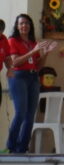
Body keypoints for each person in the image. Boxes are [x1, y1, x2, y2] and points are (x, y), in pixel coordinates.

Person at [4, 14, 55, 154]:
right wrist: (34, 51)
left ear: (30, 25)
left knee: (30, 115)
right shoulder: (12, 41)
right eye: (21, 23)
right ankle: (11, 146)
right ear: (17, 26)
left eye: (27, 23)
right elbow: (15, 62)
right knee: (20, 112)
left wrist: (45, 53)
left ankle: (22, 148)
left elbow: (38, 66)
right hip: (18, 77)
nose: (24, 26)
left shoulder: (33, 42)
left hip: (33, 77)